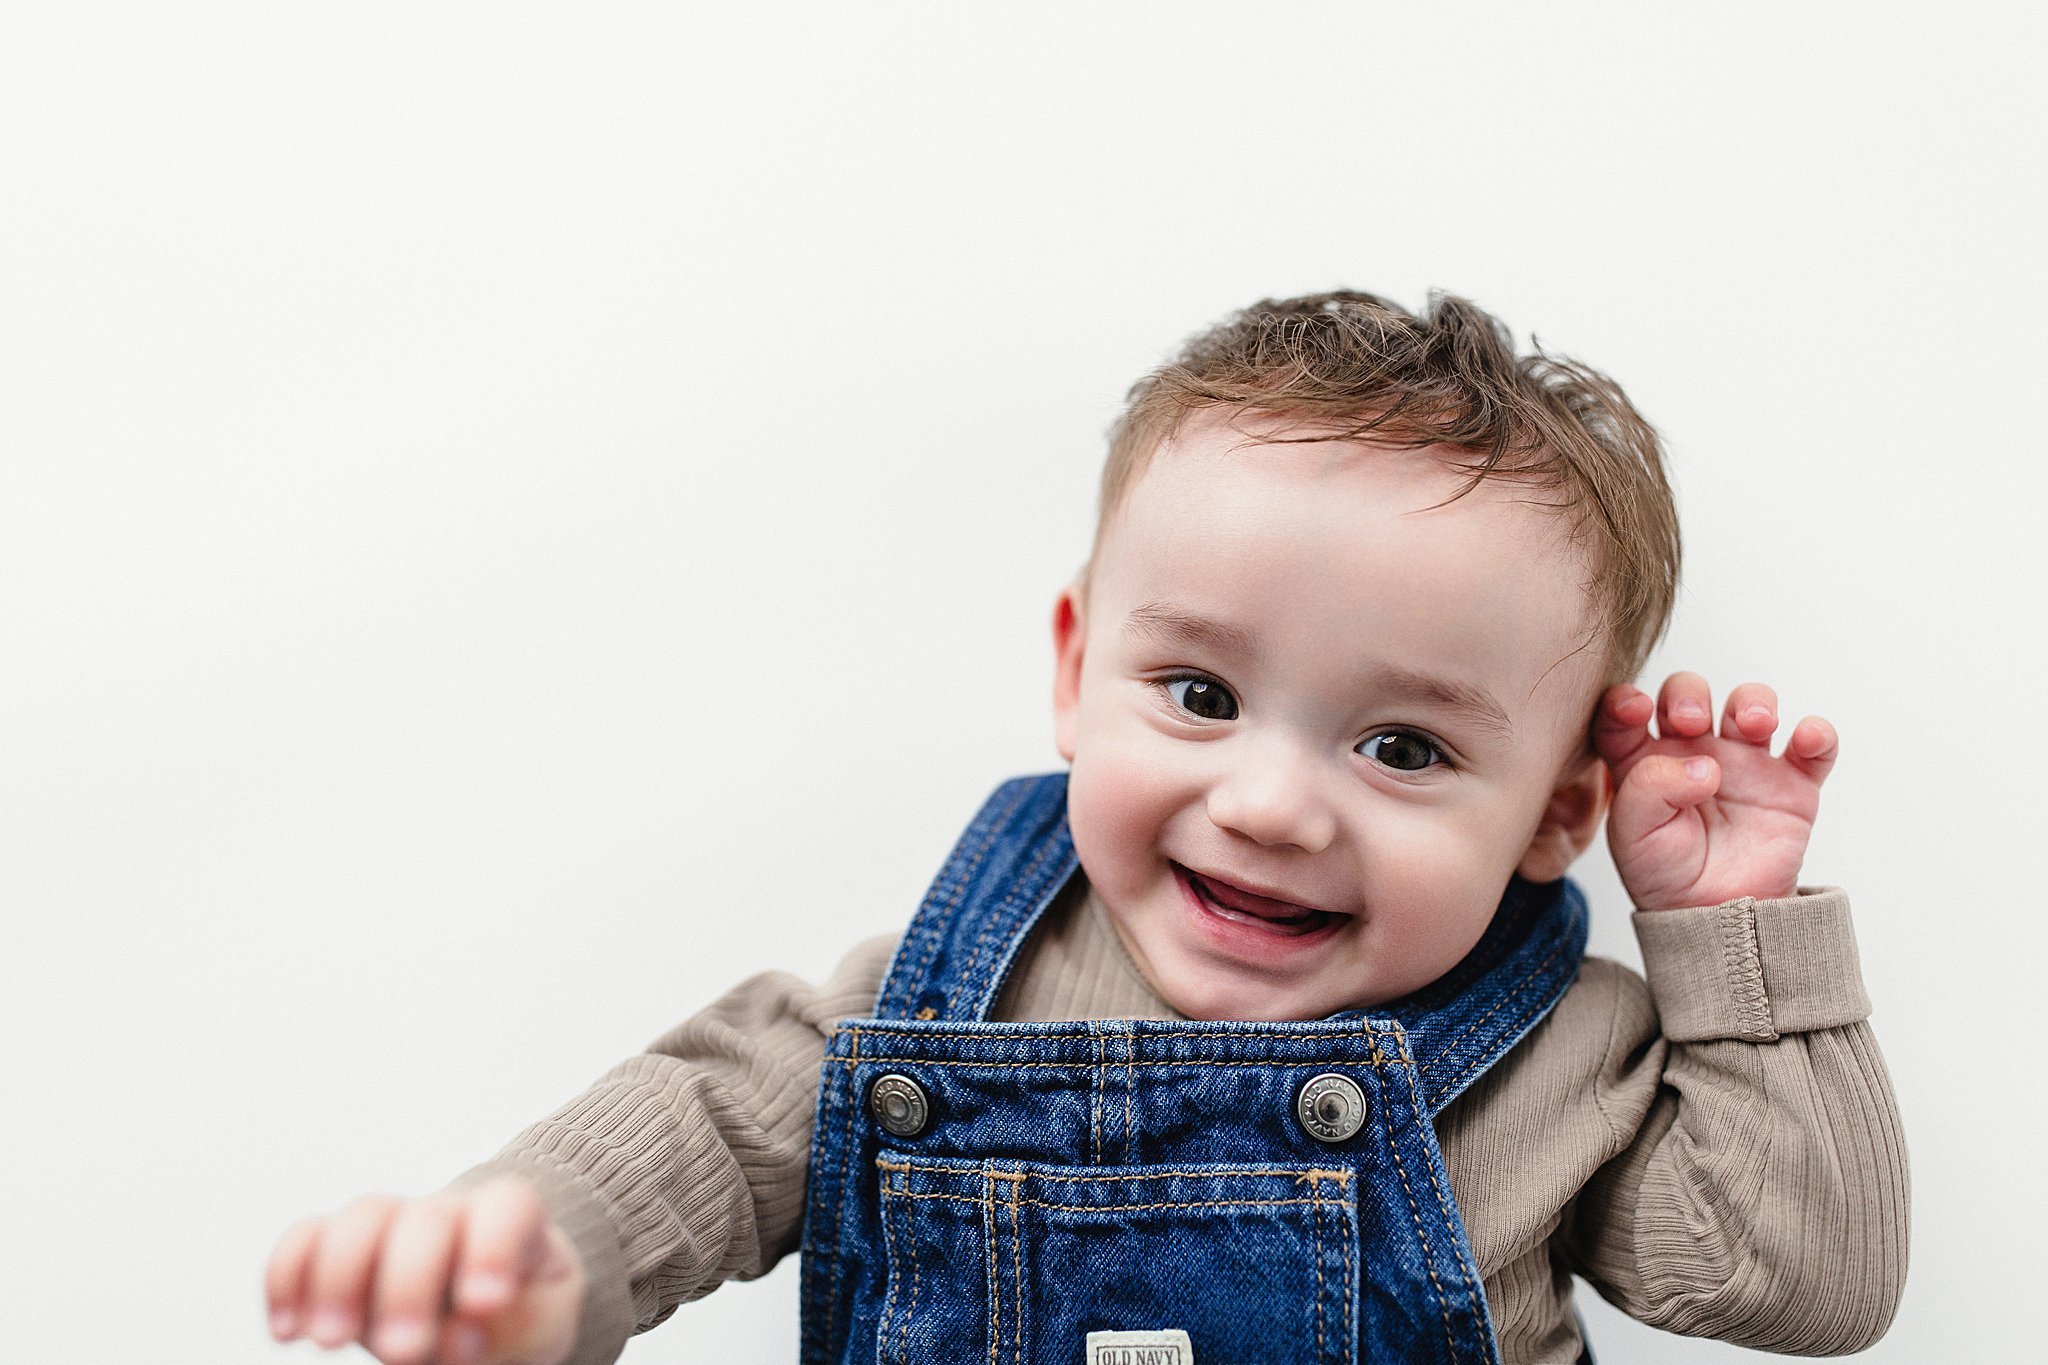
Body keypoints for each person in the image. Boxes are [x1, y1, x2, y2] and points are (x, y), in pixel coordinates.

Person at [262, 292, 1907, 1365]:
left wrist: (1724, 933)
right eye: (1197, 694)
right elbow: (699, 1129)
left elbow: (1808, 1284)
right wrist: (522, 1264)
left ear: (1563, 806)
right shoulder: (934, 997)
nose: (1266, 802)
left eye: (1400, 744)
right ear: (1076, 670)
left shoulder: (1565, 1049)